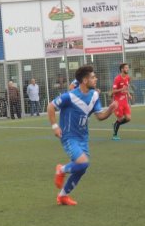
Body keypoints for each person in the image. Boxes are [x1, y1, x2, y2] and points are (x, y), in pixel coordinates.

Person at [47, 65, 117, 206]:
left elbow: (100, 116)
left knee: (82, 168)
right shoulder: (70, 96)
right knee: (83, 162)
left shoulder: (94, 96)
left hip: (83, 138)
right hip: (69, 137)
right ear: (85, 81)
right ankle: (61, 169)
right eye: (93, 77)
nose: (95, 79)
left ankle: (62, 196)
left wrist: (110, 109)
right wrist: (55, 126)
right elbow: (50, 106)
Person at [112, 63, 131, 140]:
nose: (127, 69)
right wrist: (121, 89)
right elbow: (113, 91)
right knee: (120, 119)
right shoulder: (117, 79)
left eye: (128, 67)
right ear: (122, 69)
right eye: (126, 67)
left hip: (125, 101)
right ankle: (115, 135)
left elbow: (126, 88)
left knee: (128, 118)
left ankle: (115, 124)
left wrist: (128, 94)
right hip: (118, 102)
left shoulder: (127, 77)